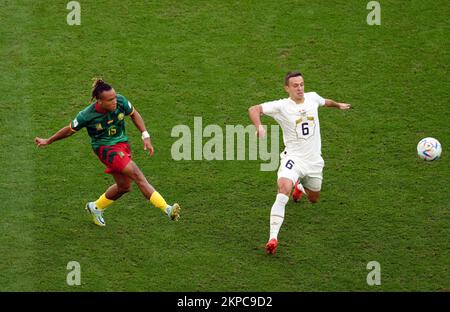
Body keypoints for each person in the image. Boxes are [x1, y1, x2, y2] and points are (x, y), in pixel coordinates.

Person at [35, 78, 180, 226]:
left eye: (115, 97)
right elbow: (69, 130)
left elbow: (134, 114)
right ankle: (167, 209)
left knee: (124, 187)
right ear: (99, 101)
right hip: (106, 149)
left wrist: (145, 136)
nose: (114, 102)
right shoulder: (86, 115)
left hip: (122, 144)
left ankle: (96, 207)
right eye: (110, 100)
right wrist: (49, 140)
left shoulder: (120, 101)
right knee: (137, 174)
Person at [248, 72, 350, 254]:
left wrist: (338, 105)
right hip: (293, 159)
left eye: (302, 84)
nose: (300, 88)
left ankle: (299, 187)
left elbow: (325, 101)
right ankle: (273, 238)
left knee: (314, 199)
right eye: (295, 85)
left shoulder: (312, 98)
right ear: (287, 88)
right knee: (283, 189)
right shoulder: (281, 106)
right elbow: (254, 109)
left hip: (314, 162)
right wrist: (260, 127)